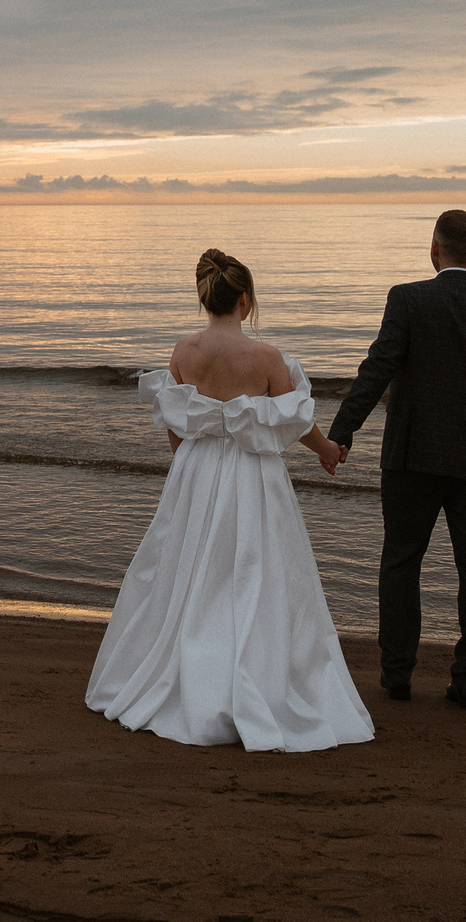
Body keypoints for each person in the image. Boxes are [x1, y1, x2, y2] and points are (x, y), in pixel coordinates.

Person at [85, 249, 373, 751]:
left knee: (189, 571)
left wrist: (187, 467)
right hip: (251, 475)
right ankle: (255, 675)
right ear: (245, 300)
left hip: (196, 471)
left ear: (207, 299)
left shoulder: (185, 350)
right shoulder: (266, 358)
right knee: (255, 573)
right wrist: (327, 449)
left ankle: (184, 670)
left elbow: (176, 425)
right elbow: (293, 421)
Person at [319, 209, 466, 710]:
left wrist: (342, 432)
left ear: (433, 249)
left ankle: (397, 675)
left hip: (412, 458)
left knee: (400, 564)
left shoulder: (408, 298)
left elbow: (377, 369)